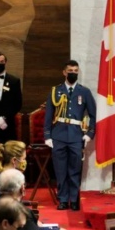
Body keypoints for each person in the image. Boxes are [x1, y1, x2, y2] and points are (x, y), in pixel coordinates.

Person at [44, 60, 96, 211]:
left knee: (74, 169)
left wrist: (89, 134)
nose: (73, 73)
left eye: (75, 70)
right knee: (60, 169)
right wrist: (47, 136)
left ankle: (74, 199)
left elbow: (93, 115)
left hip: (76, 135)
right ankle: (63, 198)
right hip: (58, 134)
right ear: (64, 72)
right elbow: (48, 115)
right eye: (70, 70)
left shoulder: (84, 92)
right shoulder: (56, 91)